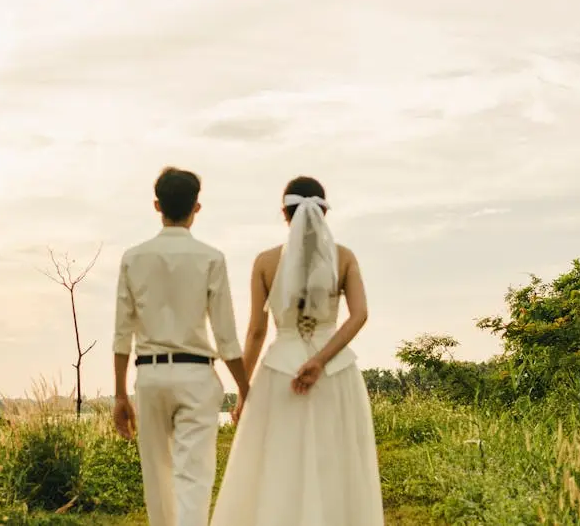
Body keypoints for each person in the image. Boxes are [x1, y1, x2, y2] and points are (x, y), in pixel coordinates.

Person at [210, 176, 384, 526]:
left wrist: (244, 392)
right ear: (324, 211)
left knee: (279, 464)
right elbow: (360, 315)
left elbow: (257, 332)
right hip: (336, 371)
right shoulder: (344, 257)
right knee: (336, 461)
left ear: (284, 213)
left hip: (280, 371)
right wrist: (320, 360)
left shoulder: (265, 262)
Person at [112, 166, 251, 526]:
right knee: (194, 477)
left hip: (150, 375)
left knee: (157, 479)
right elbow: (226, 337)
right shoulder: (210, 258)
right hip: (195, 374)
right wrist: (245, 389)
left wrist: (118, 395)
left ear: (157, 205)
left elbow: (121, 334)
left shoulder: (133, 258)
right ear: (197, 207)